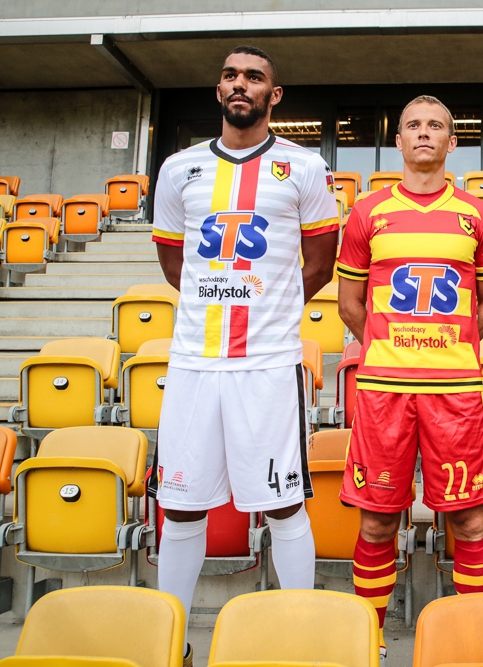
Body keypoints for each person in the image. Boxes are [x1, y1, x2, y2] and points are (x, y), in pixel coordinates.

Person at [152, 45, 339, 664]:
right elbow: (175, 264)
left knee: (283, 503)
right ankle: (170, 642)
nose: (241, 84)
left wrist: (264, 308)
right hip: (193, 364)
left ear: (273, 95)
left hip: (267, 363)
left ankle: (298, 643)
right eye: (230, 75)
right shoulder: (178, 168)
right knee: (180, 507)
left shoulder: (304, 167)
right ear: (218, 90)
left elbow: (320, 263)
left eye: (254, 77)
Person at [336, 95, 483, 662]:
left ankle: (472, 645)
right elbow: (350, 302)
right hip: (383, 392)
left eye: (436, 126)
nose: (424, 133)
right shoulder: (367, 212)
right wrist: (389, 346)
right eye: (414, 125)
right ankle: (372, 641)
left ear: (452, 142)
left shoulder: (478, 214)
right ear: (400, 141)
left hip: (455, 393)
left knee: (469, 520)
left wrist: (453, 344)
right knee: (378, 522)